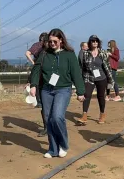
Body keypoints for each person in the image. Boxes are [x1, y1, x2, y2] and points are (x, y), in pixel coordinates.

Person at [29, 28, 86, 158]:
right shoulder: (44, 54)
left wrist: (80, 91)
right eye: (50, 41)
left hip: (63, 89)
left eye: (55, 41)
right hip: (46, 90)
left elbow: (76, 73)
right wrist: (33, 85)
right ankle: (53, 149)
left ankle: (63, 144)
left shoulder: (69, 55)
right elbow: (36, 70)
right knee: (48, 119)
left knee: (57, 117)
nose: (52, 44)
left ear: (61, 40)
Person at [77, 35, 114, 125]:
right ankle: (84, 115)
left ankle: (102, 114)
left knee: (100, 96)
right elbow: (82, 67)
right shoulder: (85, 53)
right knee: (87, 94)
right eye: (93, 41)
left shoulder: (102, 53)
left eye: (96, 41)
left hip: (101, 77)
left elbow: (107, 66)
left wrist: (110, 79)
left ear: (98, 43)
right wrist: (81, 78)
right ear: (90, 42)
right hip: (89, 77)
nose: (94, 43)